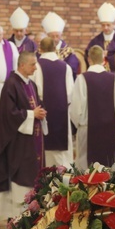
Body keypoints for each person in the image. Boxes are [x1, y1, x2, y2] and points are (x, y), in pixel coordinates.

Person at [0, 51, 47, 219]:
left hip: (32, 139)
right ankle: (17, 214)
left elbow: (34, 107)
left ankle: (30, 211)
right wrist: (32, 114)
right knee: (21, 175)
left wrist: (40, 113)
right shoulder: (11, 84)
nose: (35, 67)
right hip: (18, 141)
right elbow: (8, 114)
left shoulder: (31, 84)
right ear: (22, 65)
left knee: (32, 174)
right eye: (32, 64)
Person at [70, 46, 115, 171]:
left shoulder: (82, 79)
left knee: (85, 169)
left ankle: (85, 191)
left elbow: (75, 106)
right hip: (108, 129)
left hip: (86, 129)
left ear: (88, 59)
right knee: (107, 166)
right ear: (103, 59)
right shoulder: (113, 79)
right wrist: (114, 122)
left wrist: (79, 124)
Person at [32, 37, 73, 167]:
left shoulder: (36, 66)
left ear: (40, 49)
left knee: (44, 150)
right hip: (62, 113)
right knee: (62, 154)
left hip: (42, 111)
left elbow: (35, 90)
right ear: (55, 49)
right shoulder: (65, 66)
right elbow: (70, 93)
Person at [41, 11, 81, 78]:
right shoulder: (41, 50)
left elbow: (73, 68)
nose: (55, 39)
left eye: (57, 36)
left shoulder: (68, 51)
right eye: (52, 36)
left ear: (61, 35)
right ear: (47, 36)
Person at [85, 2, 115, 73]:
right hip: (99, 76)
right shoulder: (95, 41)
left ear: (114, 24)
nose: (105, 28)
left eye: (108, 25)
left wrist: (109, 55)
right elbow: (87, 56)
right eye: (103, 25)